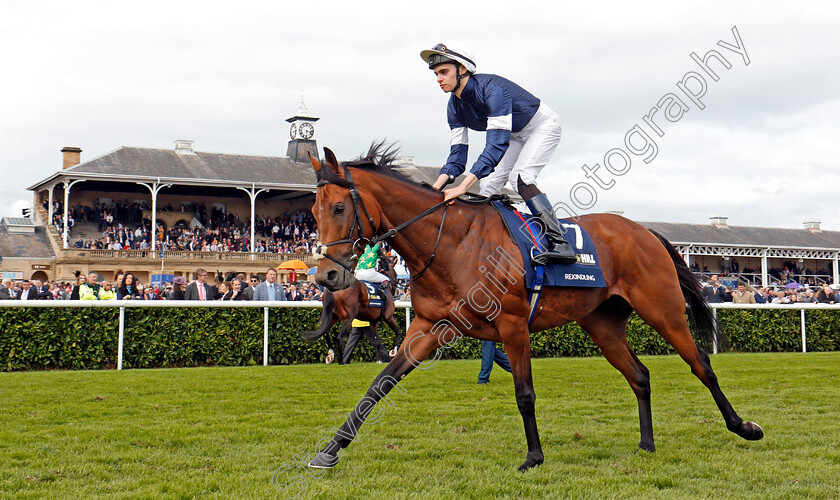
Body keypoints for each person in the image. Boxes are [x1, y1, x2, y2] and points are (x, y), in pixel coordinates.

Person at [421, 41, 576, 265]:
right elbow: (457, 156)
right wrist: (435, 188)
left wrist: (463, 187)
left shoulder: (492, 89)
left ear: (462, 69)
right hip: (514, 134)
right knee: (489, 185)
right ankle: (496, 243)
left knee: (521, 177)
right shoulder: (453, 106)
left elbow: (496, 145)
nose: (439, 79)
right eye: (436, 74)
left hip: (542, 126)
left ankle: (561, 243)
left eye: (444, 72)